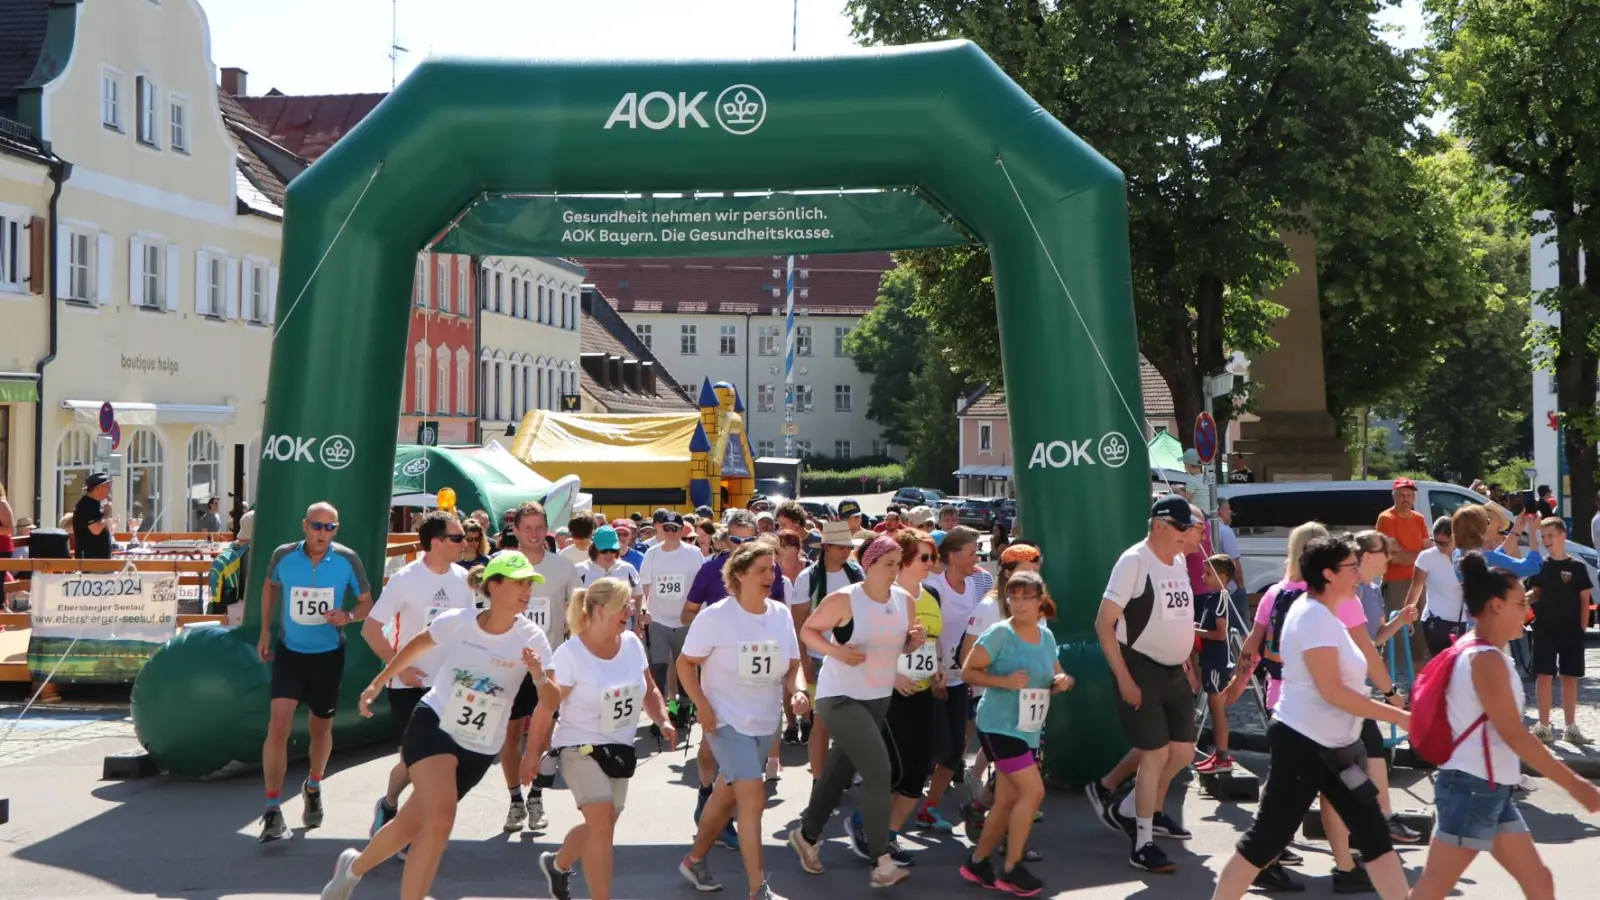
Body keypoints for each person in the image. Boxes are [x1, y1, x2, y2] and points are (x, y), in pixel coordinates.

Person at [318, 551, 552, 900]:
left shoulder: (532, 638)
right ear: (495, 585)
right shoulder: (459, 621)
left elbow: (552, 698)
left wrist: (538, 678)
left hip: (480, 745)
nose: (526, 590)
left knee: (411, 824)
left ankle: (352, 869)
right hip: (435, 723)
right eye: (519, 582)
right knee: (441, 819)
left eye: (530, 584)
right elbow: (416, 645)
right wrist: (378, 683)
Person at [1210, 534, 1411, 900]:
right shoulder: (1312, 617)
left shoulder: (1328, 613)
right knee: (1265, 840)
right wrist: (1399, 717)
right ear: (1329, 574)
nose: (1359, 574)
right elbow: (1333, 692)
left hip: (1337, 749)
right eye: (1352, 567)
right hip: (1303, 746)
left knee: (1375, 838)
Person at [1407, 552, 1600, 900]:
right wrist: (1574, 784)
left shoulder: (1479, 650)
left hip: (1489, 788)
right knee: (1431, 891)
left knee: (1539, 882)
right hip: (1473, 788)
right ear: (1496, 605)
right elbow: (1514, 735)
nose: (1527, 610)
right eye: (1520, 602)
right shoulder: (1486, 660)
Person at [788, 534, 923, 889]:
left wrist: (912, 641)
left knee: (836, 775)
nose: (895, 571)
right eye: (888, 564)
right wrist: (837, 653)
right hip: (840, 696)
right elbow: (808, 631)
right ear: (869, 564)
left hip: (877, 696)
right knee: (879, 770)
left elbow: (897, 645)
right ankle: (882, 860)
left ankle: (806, 835)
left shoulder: (906, 601)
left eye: (899, 564)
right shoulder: (846, 598)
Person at [676, 540, 808, 900]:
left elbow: (794, 666)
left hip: (765, 721)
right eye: (762, 570)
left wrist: (799, 691)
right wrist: (701, 704)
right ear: (738, 576)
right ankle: (758, 888)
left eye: (773, 569)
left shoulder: (779, 615)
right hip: (725, 720)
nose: (771, 575)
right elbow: (685, 664)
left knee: (725, 797)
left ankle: (693, 860)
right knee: (752, 797)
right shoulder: (716, 616)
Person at [1085, 496, 1204, 873]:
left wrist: (1187, 659)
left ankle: (1129, 806)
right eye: (1183, 529)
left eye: (1189, 529)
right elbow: (1104, 624)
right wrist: (1124, 677)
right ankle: (1143, 840)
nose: (1187, 537)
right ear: (1159, 525)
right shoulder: (1133, 561)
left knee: (1183, 753)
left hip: (1173, 670)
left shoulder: (1180, 560)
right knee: (1154, 754)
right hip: (1140, 668)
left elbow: (1178, 614)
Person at [537, 577, 674, 900]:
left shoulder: (631, 643)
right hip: (578, 745)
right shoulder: (570, 653)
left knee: (604, 824)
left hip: (618, 748)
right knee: (601, 824)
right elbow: (548, 705)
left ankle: (557, 864)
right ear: (599, 610)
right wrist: (534, 752)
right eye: (623, 605)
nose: (630, 610)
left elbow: (649, 687)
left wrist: (663, 720)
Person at [256, 502, 373, 842]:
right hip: (290, 653)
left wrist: (349, 616)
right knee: (278, 725)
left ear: (336, 530)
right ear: (304, 525)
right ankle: (273, 809)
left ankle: (314, 784)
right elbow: (269, 585)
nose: (323, 533)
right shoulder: (284, 556)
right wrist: (265, 630)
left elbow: (367, 602)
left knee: (321, 729)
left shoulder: (348, 560)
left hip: (328, 655)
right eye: (318, 526)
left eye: (330, 528)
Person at [360, 511, 477, 842]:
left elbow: (468, 629)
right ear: (436, 542)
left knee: (441, 762)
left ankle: (414, 829)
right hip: (409, 686)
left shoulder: (463, 579)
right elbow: (370, 630)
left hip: (450, 688)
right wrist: (401, 668)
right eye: (457, 538)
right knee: (413, 763)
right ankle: (390, 803)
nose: (464, 543)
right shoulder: (405, 579)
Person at [958, 571, 1073, 897]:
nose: (1019, 604)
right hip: (998, 726)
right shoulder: (999, 634)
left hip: (1029, 728)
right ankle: (1010, 866)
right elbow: (968, 671)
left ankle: (977, 862)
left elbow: (1056, 674)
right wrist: (1004, 681)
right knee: (1033, 793)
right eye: (1013, 597)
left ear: (1041, 602)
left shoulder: (1046, 637)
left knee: (1008, 799)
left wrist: (1062, 681)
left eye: (1027, 597)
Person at [500, 501, 580, 836]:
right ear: (515, 530)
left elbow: (578, 614)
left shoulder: (563, 567)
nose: (533, 534)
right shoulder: (500, 565)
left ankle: (536, 797)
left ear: (547, 529)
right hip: (508, 664)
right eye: (527, 527)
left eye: (539, 527)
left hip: (549, 666)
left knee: (543, 734)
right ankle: (515, 798)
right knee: (511, 734)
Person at [876, 527, 944, 865]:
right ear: (902, 559)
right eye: (924, 557)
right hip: (889, 693)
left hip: (922, 692)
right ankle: (865, 824)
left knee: (919, 769)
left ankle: (889, 837)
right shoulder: (885, 596)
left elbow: (933, 639)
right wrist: (892, 673)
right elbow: (865, 644)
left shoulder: (931, 595)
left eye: (933, 557)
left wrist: (940, 665)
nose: (931, 563)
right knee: (895, 768)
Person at [918, 526, 986, 832]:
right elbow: (928, 635)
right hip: (931, 680)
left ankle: (928, 807)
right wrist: (935, 674)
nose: (977, 557)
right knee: (934, 747)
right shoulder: (934, 587)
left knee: (957, 747)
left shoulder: (972, 585)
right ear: (953, 556)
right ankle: (895, 800)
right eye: (972, 552)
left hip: (960, 679)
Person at [793, 519, 864, 773]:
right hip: (819, 656)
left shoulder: (856, 573)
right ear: (827, 547)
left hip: (852, 656)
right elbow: (799, 624)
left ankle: (846, 770)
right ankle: (819, 776)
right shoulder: (808, 578)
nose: (846, 552)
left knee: (852, 721)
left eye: (848, 547)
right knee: (822, 722)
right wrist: (804, 662)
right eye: (841, 547)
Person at [1526, 517, 1592, 744]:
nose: (1546, 541)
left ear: (1563, 535)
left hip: (1571, 631)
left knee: (1569, 678)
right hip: (1544, 629)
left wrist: (1582, 626)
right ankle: (1544, 726)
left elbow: (1585, 599)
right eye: (1543, 537)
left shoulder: (1578, 567)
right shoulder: (1540, 566)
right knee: (1544, 676)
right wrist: (1522, 600)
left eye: (1550, 535)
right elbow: (1535, 592)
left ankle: (1571, 727)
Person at [638, 511, 704, 727]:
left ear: (682, 530)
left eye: (675, 529)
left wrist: (698, 614)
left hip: (684, 621)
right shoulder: (652, 554)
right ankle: (662, 711)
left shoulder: (694, 554)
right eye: (667, 528)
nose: (671, 533)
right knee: (658, 666)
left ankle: (685, 706)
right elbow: (645, 586)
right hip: (658, 620)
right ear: (661, 529)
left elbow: (699, 586)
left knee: (685, 665)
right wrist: (644, 609)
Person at [1375, 478, 1432, 663]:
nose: (1405, 499)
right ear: (1394, 496)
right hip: (1397, 582)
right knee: (1395, 634)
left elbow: (1428, 549)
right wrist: (1420, 557)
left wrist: (1410, 555)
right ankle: (1386, 684)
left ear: (1414, 497)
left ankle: (1417, 688)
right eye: (1401, 495)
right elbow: (1394, 556)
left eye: (1409, 495)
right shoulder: (1386, 518)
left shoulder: (1419, 519)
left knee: (1420, 637)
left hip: (1419, 581)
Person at [1194, 555, 1237, 773]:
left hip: (1216, 661)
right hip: (1209, 659)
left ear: (1222, 577)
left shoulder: (1220, 597)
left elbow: (1220, 634)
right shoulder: (1212, 598)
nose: (1203, 577)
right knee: (1213, 707)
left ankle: (1222, 756)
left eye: (1208, 574)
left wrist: (1194, 631)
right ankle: (1219, 754)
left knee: (1217, 708)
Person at [1407, 516, 1463, 656]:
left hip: (1465, 624)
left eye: (1443, 543)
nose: (1438, 546)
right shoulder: (1426, 557)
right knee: (1442, 672)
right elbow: (1416, 586)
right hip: (1436, 625)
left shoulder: (1468, 556)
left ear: (1455, 538)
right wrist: (1407, 614)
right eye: (1435, 541)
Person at [72, 473, 117, 560]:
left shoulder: (96, 503)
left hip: (100, 561)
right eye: (108, 485)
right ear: (99, 487)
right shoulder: (85, 505)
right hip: (90, 562)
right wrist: (107, 513)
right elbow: (96, 529)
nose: (110, 489)